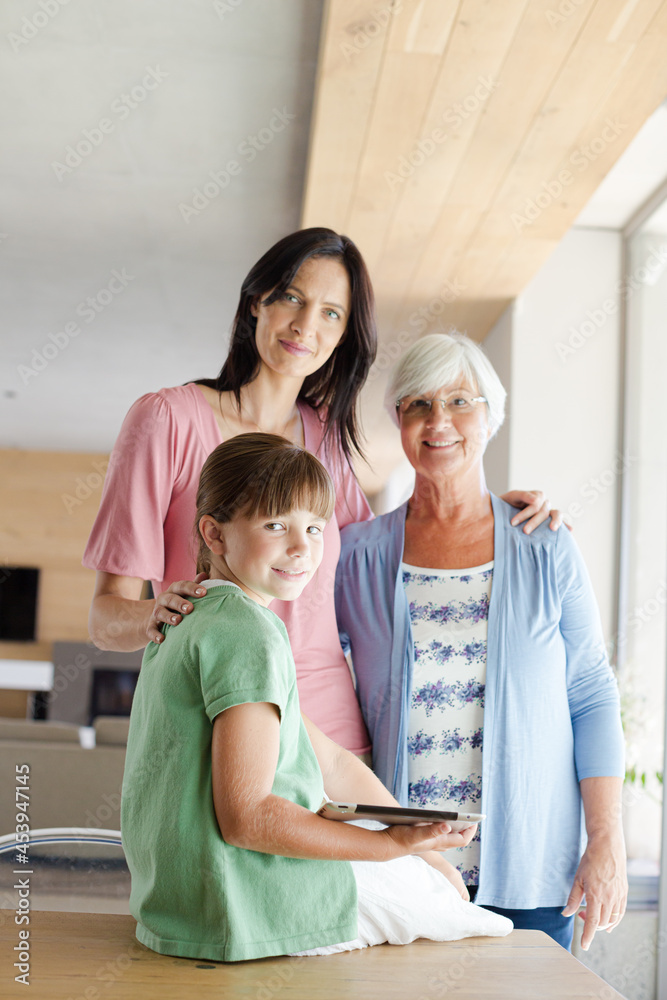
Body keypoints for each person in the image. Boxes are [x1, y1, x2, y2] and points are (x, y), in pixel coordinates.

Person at [84, 227, 558, 752]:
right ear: (254, 304)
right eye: (292, 297)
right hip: (211, 710)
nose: (306, 325)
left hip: (329, 726)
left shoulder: (327, 438)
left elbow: (382, 552)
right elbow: (107, 618)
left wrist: (483, 513)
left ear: (342, 336)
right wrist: (156, 612)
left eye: (331, 312)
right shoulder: (167, 420)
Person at [121, 433, 513, 961]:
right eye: (275, 525)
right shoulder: (249, 634)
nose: (302, 547)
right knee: (480, 929)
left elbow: (323, 753)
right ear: (214, 533)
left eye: (314, 527)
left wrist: (407, 833)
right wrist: (389, 847)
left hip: (176, 905)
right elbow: (249, 817)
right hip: (244, 905)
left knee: (433, 882)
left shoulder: (187, 617)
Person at [334, 332, 627, 952]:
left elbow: (592, 696)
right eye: (417, 404)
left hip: (532, 874)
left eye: (460, 401)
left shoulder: (546, 546)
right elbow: (313, 683)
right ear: (399, 421)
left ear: (491, 416)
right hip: (405, 870)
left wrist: (607, 839)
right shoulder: (355, 555)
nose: (438, 421)